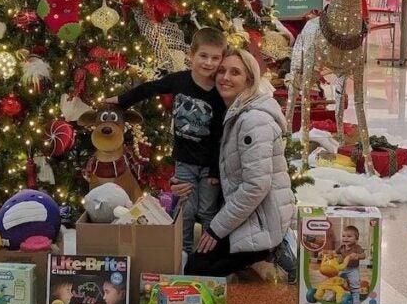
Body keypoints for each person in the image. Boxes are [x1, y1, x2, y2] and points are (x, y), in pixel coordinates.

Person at [105, 28, 227, 253]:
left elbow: (221, 135)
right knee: (186, 210)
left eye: (215, 58)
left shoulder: (220, 93)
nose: (209, 63)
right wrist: (121, 100)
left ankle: (208, 255)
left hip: (210, 165)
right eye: (203, 56)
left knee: (208, 210)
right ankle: (184, 252)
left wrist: (214, 171)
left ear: (221, 59)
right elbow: (149, 89)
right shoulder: (179, 80)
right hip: (184, 162)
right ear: (191, 55)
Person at [183, 47, 296, 278]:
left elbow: (256, 186)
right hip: (249, 217)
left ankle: (268, 254)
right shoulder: (232, 113)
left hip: (261, 224)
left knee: (197, 270)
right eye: (221, 71)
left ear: (249, 80)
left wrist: (216, 230)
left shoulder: (253, 120)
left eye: (235, 72)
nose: (225, 77)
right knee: (198, 261)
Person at [336, 225, 366, 304]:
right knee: (336, 280)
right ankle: (335, 294)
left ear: (356, 239)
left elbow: (363, 255)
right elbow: (334, 252)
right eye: (343, 236)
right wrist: (328, 253)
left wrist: (357, 256)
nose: (345, 238)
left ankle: (355, 296)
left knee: (354, 282)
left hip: (353, 269)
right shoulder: (342, 247)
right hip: (342, 268)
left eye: (349, 236)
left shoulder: (357, 247)